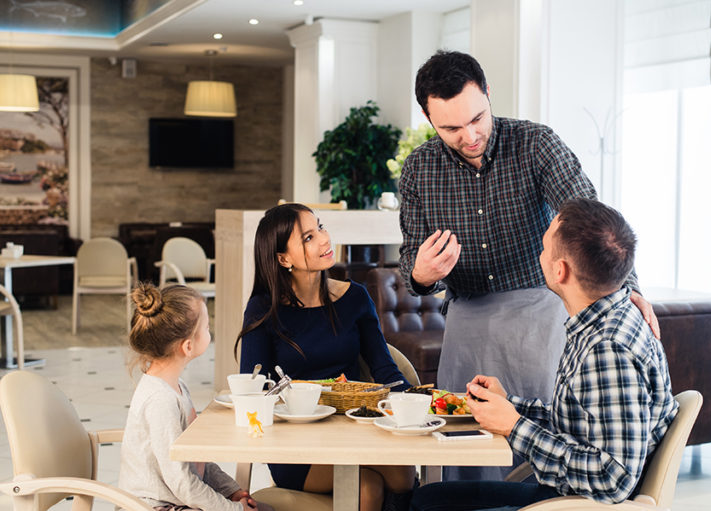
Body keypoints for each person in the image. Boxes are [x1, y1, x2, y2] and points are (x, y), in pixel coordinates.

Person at [398, 50, 659, 480]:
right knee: (463, 438)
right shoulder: (418, 171)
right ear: (429, 118)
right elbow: (411, 260)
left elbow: (587, 218)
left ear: (486, 93)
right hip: (468, 318)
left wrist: (626, 287)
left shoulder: (536, 145)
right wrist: (421, 273)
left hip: (542, 314)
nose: (470, 135)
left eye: (477, 118)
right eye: (451, 128)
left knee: (540, 437)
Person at [409, 198, 679, 511]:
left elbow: (614, 479)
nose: (539, 253)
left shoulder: (608, 348)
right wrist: (511, 407)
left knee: (426, 505)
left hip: (574, 505)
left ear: (560, 270)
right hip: (565, 494)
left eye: (544, 246)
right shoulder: (604, 317)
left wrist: (514, 427)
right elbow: (584, 422)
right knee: (429, 498)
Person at [237, 202, 416, 511]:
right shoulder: (263, 309)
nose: (323, 239)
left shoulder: (355, 297)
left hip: (353, 429)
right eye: (307, 237)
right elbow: (256, 390)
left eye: (320, 227)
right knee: (369, 488)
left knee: (403, 475)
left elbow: (385, 369)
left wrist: (413, 410)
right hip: (296, 444)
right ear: (283, 258)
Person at [119, 283, 272, 511]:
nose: (210, 331)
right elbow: (182, 482)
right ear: (188, 346)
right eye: (207, 327)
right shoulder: (160, 401)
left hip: (176, 499)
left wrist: (230, 490)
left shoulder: (176, 386)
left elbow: (196, 461)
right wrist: (235, 509)